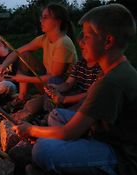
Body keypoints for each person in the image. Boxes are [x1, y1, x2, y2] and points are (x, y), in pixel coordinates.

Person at [13, 3, 137, 175]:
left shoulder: (110, 82)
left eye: (87, 37)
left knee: (42, 149)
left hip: (119, 155)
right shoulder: (118, 70)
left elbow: (68, 132)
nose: (82, 42)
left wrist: (30, 129)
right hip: (103, 135)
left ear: (108, 41)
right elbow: (85, 115)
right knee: (57, 116)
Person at [0, 3, 77, 103]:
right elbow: (17, 51)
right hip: (46, 83)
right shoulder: (44, 39)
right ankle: (22, 97)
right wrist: (4, 65)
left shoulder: (63, 43)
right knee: (25, 55)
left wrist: (25, 79)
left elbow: (54, 76)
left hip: (60, 87)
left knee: (52, 81)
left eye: (45, 17)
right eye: (41, 17)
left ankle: (46, 104)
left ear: (58, 21)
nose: (41, 21)